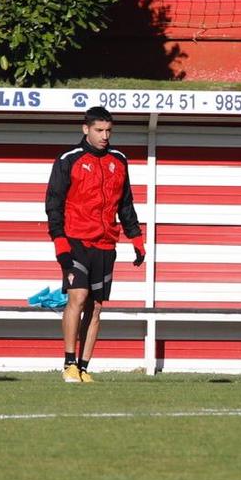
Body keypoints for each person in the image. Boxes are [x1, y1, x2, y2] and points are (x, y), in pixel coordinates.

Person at [46, 106, 145, 384]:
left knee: (97, 306)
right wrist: (60, 244)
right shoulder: (68, 159)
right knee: (77, 297)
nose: (105, 136)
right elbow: (53, 205)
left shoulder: (119, 160)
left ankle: (84, 367)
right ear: (85, 129)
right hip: (76, 240)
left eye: (109, 130)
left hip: (105, 243)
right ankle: (68, 364)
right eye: (99, 130)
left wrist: (136, 239)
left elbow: (125, 204)